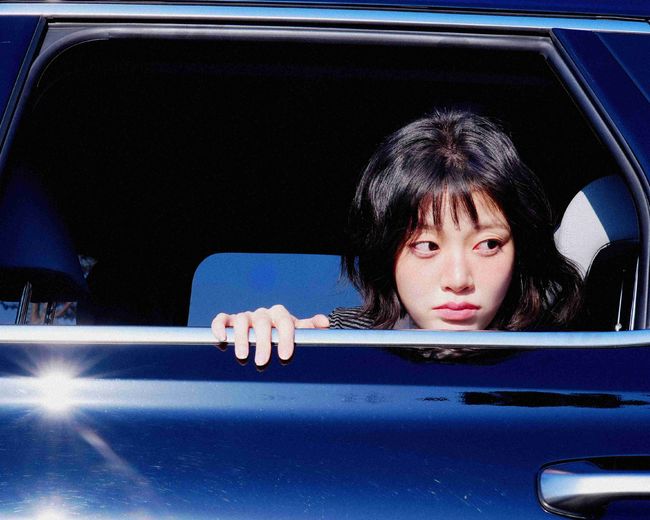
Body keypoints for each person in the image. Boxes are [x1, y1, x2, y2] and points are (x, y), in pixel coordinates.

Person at [212, 108, 582, 366]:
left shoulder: (565, 360)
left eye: (488, 245)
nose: (458, 280)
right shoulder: (344, 344)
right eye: (427, 246)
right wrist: (269, 335)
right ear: (387, 252)